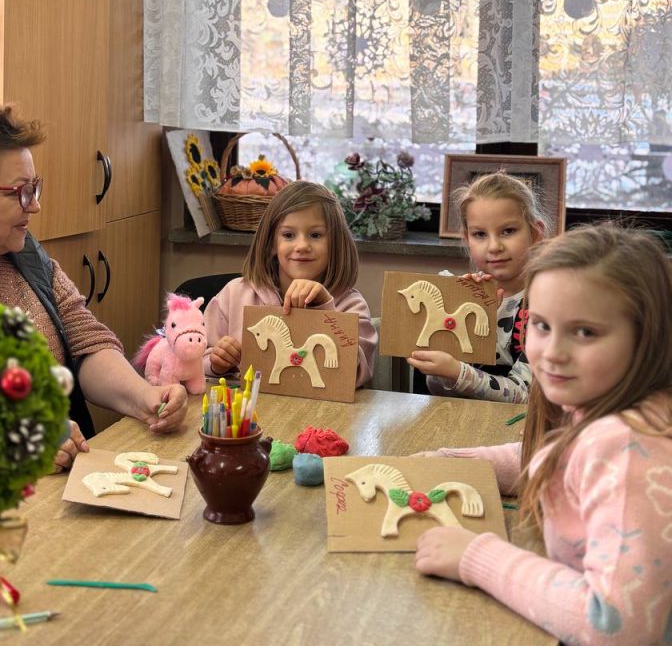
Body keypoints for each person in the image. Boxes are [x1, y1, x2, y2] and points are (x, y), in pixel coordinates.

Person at [413, 224, 672, 646]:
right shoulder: (609, 404)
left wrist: (477, 557)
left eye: (585, 332)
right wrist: (456, 464)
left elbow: (613, 624)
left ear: (647, 338)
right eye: (541, 325)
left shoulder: (627, 445)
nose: (552, 353)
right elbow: (560, 459)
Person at [0, 100, 187, 471]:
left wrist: (144, 397)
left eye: (35, 188)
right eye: (20, 192)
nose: (34, 206)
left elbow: (86, 345)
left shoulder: (23, 254)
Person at [204, 181, 377, 387]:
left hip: (318, 408)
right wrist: (216, 363)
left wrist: (324, 309)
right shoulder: (233, 295)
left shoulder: (351, 306)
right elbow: (191, 361)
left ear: (335, 244)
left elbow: (353, 375)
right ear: (271, 243)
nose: (302, 246)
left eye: (316, 235)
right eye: (288, 235)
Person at [408, 171, 547, 403]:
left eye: (508, 231)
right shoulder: (460, 298)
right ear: (467, 238)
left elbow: (526, 395)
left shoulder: (547, 306)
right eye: (480, 234)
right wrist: (443, 369)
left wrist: (458, 372)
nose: (494, 246)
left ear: (535, 233)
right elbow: (434, 388)